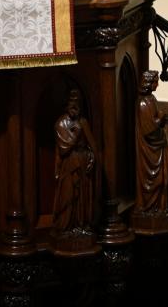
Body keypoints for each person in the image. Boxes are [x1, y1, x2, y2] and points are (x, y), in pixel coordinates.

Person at [52, 89, 96, 235]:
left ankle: (81, 225)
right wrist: (77, 133)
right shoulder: (61, 123)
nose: (74, 108)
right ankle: (66, 226)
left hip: (83, 161)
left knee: (83, 195)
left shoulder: (83, 122)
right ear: (66, 106)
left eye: (77, 104)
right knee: (68, 196)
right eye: (71, 104)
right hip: (69, 164)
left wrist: (91, 156)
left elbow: (92, 145)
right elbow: (64, 149)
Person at [135, 70, 168, 215]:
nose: (158, 84)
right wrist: (160, 119)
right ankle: (149, 208)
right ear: (149, 83)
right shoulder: (143, 103)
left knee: (162, 180)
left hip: (158, 146)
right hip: (150, 149)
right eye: (156, 82)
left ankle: (160, 208)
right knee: (153, 180)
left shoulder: (152, 99)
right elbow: (148, 130)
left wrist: (160, 119)